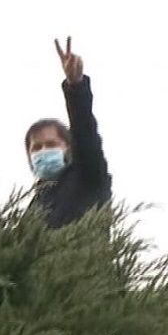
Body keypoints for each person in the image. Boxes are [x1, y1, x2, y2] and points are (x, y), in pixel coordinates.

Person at [24, 37, 113, 229]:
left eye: (51, 144)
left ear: (68, 147)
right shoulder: (37, 201)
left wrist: (76, 87)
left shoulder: (88, 175)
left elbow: (85, 133)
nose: (43, 151)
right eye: (37, 147)